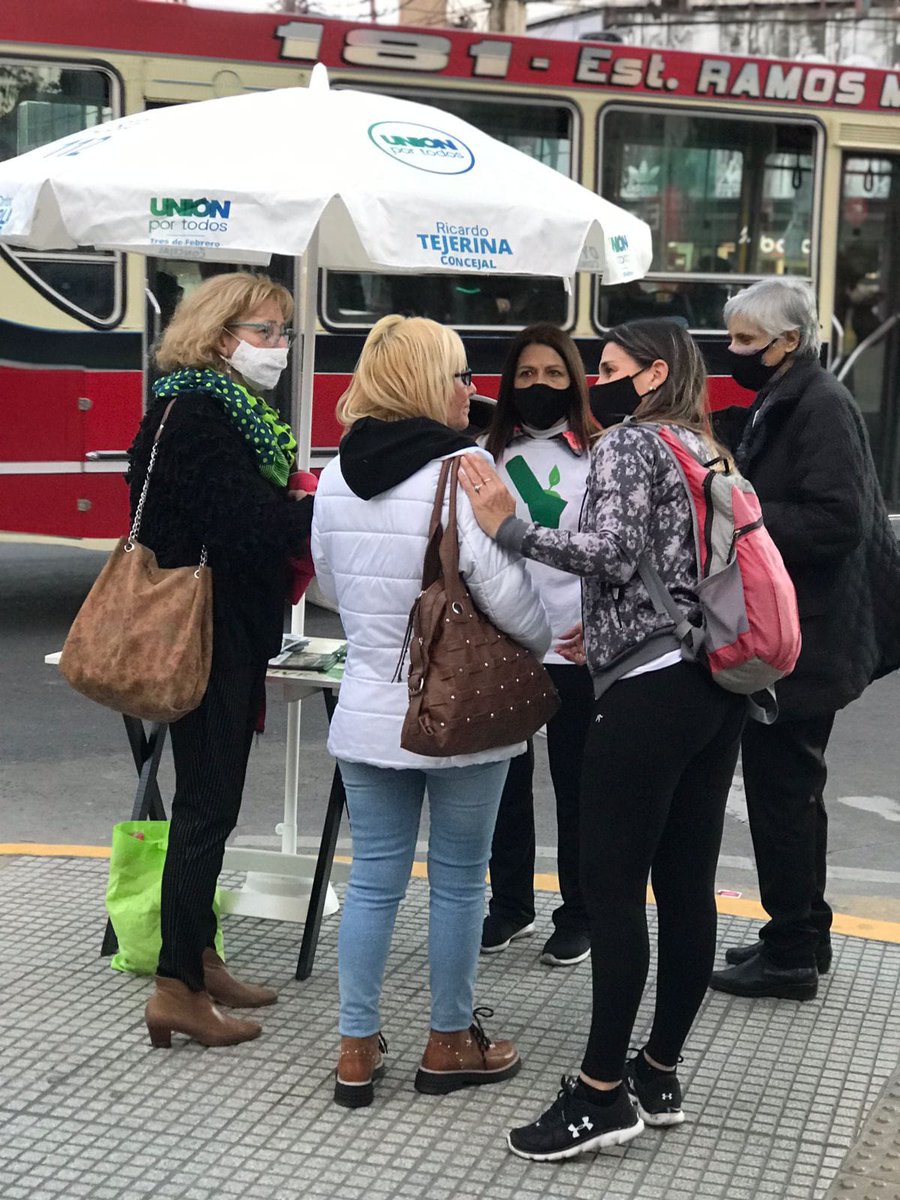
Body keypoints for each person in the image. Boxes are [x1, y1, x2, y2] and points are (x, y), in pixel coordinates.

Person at [458, 318, 747, 1161]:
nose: (599, 381)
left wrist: (509, 526)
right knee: (685, 884)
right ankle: (657, 1073)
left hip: (648, 694)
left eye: (612, 367)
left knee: (612, 887)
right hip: (713, 682)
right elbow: (682, 566)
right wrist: (608, 622)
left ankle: (599, 1094)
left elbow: (612, 550)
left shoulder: (629, 445)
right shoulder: (707, 448)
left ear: (652, 373)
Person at [310, 314, 551, 1109]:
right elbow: (511, 602)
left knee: (373, 881)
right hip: (458, 718)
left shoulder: (339, 471)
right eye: (456, 374)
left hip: (367, 708)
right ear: (422, 381)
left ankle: (354, 1049)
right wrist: (545, 628)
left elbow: (327, 585)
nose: (470, 389)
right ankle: (449, 1040)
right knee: (458, 882)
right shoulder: (465, 469)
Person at [128, 272, 314, 1048]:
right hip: (206, 636)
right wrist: (308, 506)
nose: (278, 346)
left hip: (218, 628)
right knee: (208, 807)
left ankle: (198, 956)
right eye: (266, 331)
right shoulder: (203, 414)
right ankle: (177, 986)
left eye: (282, 332)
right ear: (218, 333)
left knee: (211, 802)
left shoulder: (201, 408)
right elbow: (243, 529)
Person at [708, 277, 900, 1001]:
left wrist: (739, 510)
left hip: (805, 637)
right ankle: (801, 934)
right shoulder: (794, 396)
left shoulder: (817, 405)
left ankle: (790, 953)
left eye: (747, 342)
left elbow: (836, 520)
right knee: (795, 788)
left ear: (788, 343)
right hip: (810, 629)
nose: (736, 353)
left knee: (782, 792)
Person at [479, 324, 596, 967]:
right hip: (506, 643)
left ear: (574, 381)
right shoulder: (484, 453)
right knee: (505, 781)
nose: (540, 386)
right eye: (526, 376)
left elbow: (618, 552)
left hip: (578, 646)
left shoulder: (603, 452)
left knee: (578, 784)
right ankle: (510, 906)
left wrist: (601, 624)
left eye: (554, 375)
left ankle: (580, 912)